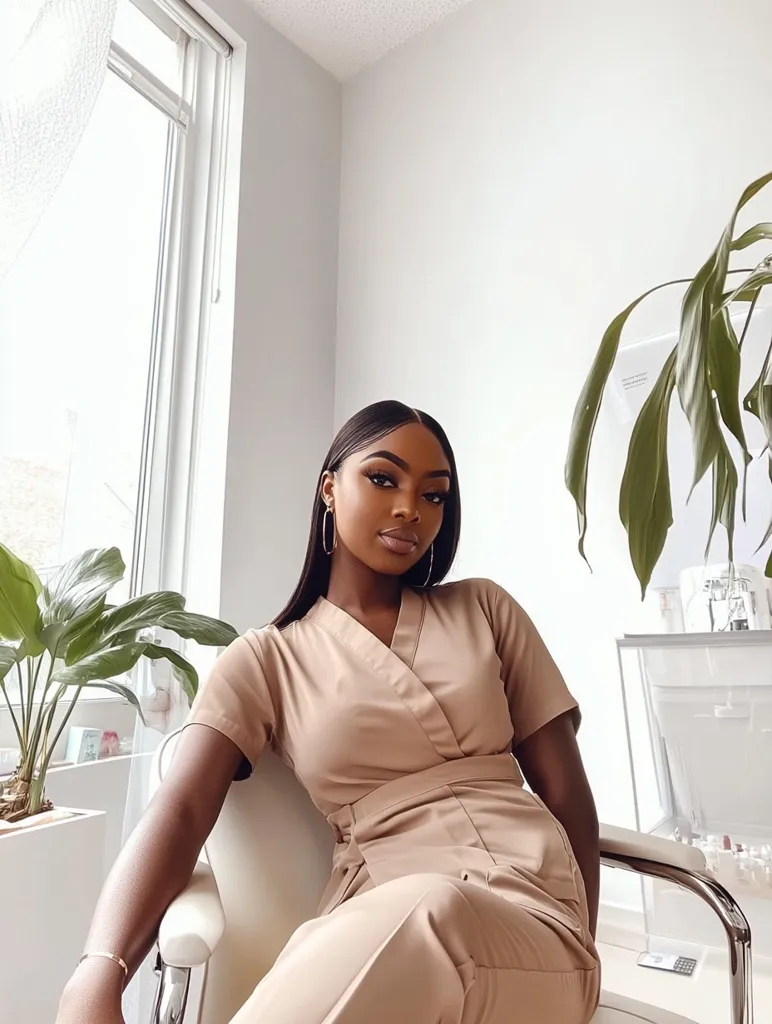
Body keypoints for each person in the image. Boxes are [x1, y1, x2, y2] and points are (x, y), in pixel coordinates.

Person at [56, 400, 601, 1024]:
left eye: (434, 495)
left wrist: (582, 939)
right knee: (406, 917)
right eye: (383, 478)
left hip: (530, 925)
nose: (409, 509)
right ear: (330, 489)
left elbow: (568, 797)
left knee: (432, 910)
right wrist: (98, 969)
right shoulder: (266, 659)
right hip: (371, 930)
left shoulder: (486, 610)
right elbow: (179, 810)